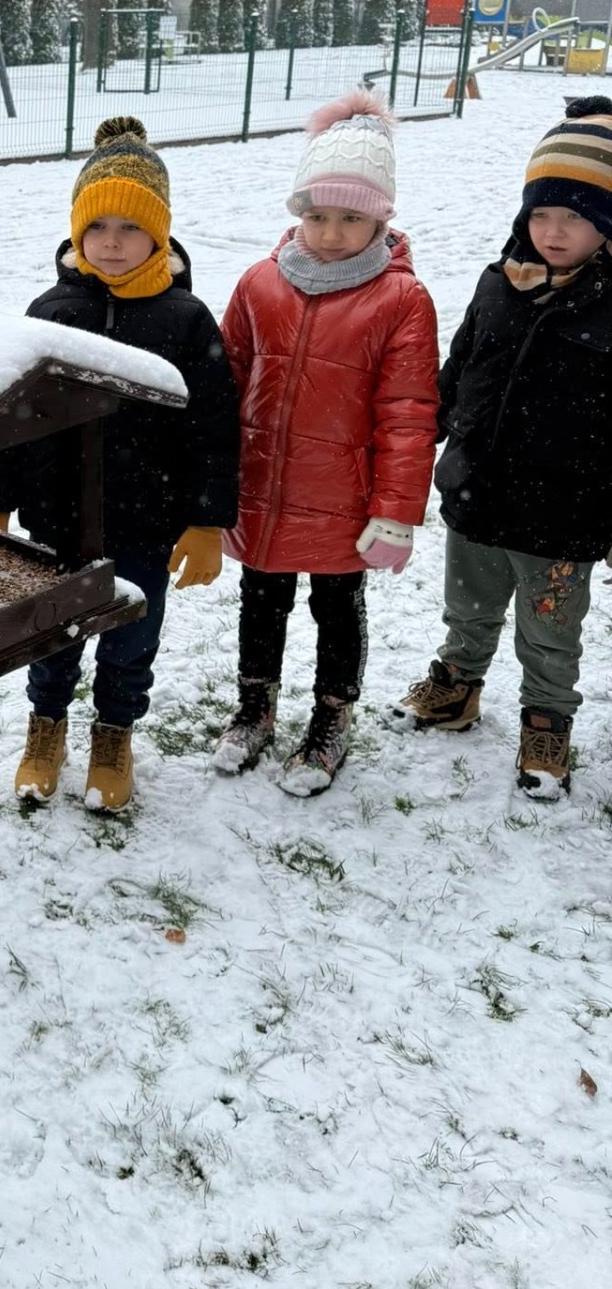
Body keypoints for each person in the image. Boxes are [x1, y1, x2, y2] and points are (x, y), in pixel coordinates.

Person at [0, 117, 240, 812]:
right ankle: (46, 727)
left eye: (130, 227)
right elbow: (13, 408)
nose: (112, 243)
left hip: (148, 521)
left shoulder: (185, 320)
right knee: (52, 631)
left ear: (160, 234)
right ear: (76, 232)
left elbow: (213, 428)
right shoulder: (50, 310)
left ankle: (114, 733)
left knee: (129, 634)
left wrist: (208, 523)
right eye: (98, 228)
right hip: (57, 514)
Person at [215, 90, 439, 794]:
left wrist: (395, 513)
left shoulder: (402, 300)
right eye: (318, 215)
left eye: (351, 217)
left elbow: (407, 412)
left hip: (345, 502)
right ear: (298, 213)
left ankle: (331, 719)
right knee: (261, 603)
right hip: (264, 492)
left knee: (337, 609)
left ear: (381, 218)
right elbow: (224, 385)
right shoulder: (259, 284)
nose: (332, 232)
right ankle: (255, 706)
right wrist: (212, 485)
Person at [394, 96, 612, 797]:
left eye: (574, 218)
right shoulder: (499, 284)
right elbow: (460, 373)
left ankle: (547, 721)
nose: (553, 231)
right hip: (478, 493)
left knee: (550, 632)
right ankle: (456, 686)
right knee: (469, 606)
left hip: (564, 513)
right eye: (542, 214)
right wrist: (421, 436)